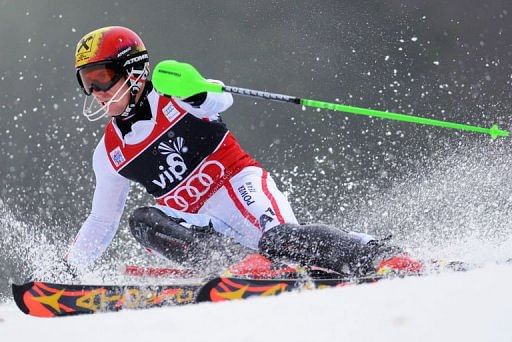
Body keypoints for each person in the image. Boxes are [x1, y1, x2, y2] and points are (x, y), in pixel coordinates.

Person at [66, 26, 420, 278]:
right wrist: (66, 272)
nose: (95, 90)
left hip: (238, 190)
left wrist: (194, 86)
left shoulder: (171, 95)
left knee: (280, 239)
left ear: (134, 73)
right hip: (197, 225)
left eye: (102, 77)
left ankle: (375, 254)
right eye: (86, 81)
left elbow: (220, 99)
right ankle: (237, 265)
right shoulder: (109, 152)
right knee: (141, 221)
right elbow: (102, 221)